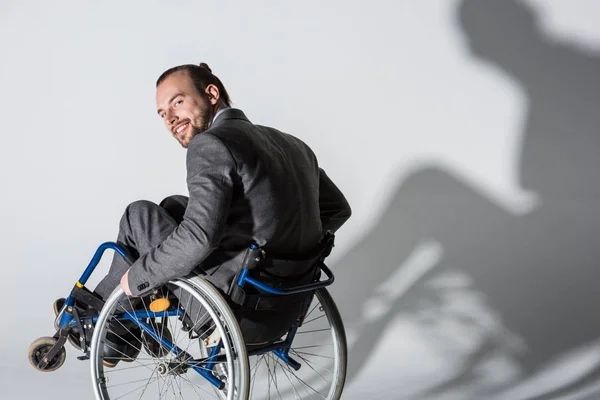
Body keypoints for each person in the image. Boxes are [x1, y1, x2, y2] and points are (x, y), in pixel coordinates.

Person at [55, 62, 351, 365]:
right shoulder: (293, 145)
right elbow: (337, 209)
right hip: (285, 303)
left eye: (178, 102)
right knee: (173, 207)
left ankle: (104, 317)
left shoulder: (210, 143)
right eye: (162, 114)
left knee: (139, 216)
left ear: (211, 94)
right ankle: (122, 329)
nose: (170, 119)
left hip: (233, 303)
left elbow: (200, 237)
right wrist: (285, 242)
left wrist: (138, 278)